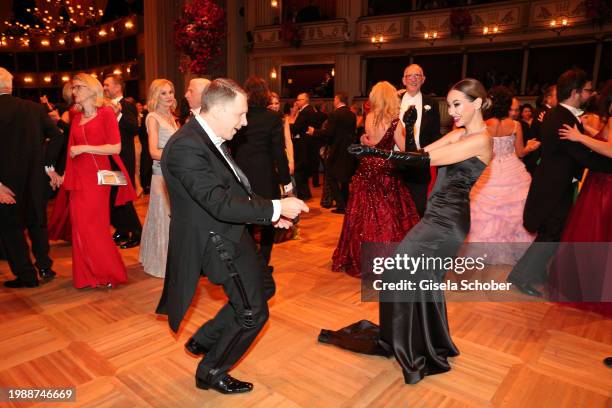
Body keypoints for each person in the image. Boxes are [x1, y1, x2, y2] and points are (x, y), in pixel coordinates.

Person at [320, 78, 493, 384]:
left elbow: (427, 159)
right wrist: (409, 131)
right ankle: (427, 341)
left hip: (447, 223)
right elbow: (419, 152)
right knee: (423, 280)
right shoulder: (459, 133)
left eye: (457, 104)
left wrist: (376, 153)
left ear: (477, 103)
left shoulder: (480, 140)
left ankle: (403, 343)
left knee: (396, 274)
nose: (451, 111)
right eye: (449, 105)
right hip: (436, 216)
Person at [155, 79, 308, 394]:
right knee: (253, 312)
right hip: (215, 240)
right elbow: (218, 202)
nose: (245, 122)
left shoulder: (207, 136)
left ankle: (206, 338)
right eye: (240, 114)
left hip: (230, 232)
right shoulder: (186, 146)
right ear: (219, 110)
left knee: (264, 286)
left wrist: (270, 215)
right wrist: (276, 206)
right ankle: (210, 370)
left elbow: (233, 188)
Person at [507, 69, 612, 297]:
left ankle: (533, 272)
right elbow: (582, 156)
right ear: (575, 92)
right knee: (552, 233)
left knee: (551, 232)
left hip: (556, 183)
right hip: (555, 186)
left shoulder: (562, 115)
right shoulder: (561, 118)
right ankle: (521, 275)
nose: (591, 93)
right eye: (587, 89)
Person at [331, 81, 420, 277]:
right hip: (386, 171)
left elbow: (367, 141)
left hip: (366, 169)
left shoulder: (368, 116)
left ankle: (363, 258)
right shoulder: (395, 121)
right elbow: (405, 150)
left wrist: (364, 140)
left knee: (362, 215)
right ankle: (387, 259)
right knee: (388, 216)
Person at [63, 73, 136, 289]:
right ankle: (86, 275)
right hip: (79, 178)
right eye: (74, 87)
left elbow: (115, 147)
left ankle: (107, 272)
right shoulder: (75, 117)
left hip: (97, 179)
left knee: (95, 226)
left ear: (90, 89)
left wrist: (85, 148)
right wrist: (65, 174)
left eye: (78, 87)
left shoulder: (105, 114)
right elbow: (69, 151)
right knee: (80, 226)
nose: (74, 91)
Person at [548, 80, 611, 313]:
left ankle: (591, 290)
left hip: (605, 185)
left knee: (596, 235)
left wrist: (580, 137)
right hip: (600, 181)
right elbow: (605, 140)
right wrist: (589, 132)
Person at [0, 67, 63, 288]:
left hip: (5, 184)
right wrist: (48, 165)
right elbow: (56, 136)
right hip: (36, 179)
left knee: (10, 228)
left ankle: (26, 275)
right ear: (11, 85)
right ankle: (45, 266)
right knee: (38, 222)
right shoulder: (34, 109)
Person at [465, 86, 540, 264]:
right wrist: (529, 146)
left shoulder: (484, 125)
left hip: (489, 169)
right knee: (514, 211)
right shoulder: (515, 125)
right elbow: (520, 152)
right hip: (511, 168)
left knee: (487, 211)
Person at [230, 76, 292, 270]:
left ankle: (249, 261)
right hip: (265, 175)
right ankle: (263, 262)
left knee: (244, 220)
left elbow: (230, 146)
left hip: (241, 175)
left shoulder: (239, 115)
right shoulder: (273, 118)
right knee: (269, 220)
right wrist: (286, 181)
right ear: (265, 94)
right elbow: (278, 152)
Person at [139, 79, 178, 278]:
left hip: (172, 174)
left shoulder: (172, 117)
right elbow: (153, 151)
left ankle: (168, 259)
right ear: (155, 96)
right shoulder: (152, 117)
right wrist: (181, 154)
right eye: (163, 93)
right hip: (160, 176)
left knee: (169, 217)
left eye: (170, 92)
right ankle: (161, 263)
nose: (169, 96)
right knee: (162, 217)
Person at [102, 74, 142, 249]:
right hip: (109, 158)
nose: (104, 88)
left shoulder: (127, 105)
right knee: (111, 196)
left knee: (123, 196)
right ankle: (122, 229)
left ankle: (137, 231)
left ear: (118, 87)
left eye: (107, 85)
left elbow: (134, 128)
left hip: (123, 159)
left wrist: (118, 114)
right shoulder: (104, 106)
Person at [398, 64, 442, 217]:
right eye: (410, 76)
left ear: (423, 79)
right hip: (394, 162)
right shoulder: (393, 101)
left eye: (417, 75)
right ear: (404, 80)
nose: (413, 79)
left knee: (418, 207)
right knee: (395, 207)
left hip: (419, 163)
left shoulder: (432, 103)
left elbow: (435, 134)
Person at [307, 92, 357, 213]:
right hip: (349, 150)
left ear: (338, 100)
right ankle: (345, 202)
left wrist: (314, 131)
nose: (333, 101)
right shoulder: (352, 114)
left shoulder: (335, 114)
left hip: (336, 150)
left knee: (332, 177)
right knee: (344, 178)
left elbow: (329, 133)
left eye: (334, 99)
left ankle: (341, 205)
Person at [290, 93, 317, 200]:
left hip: (303, 145)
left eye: (298, 100)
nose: (297, 102)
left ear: (305, 100)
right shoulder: (308, 110)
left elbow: (296, 128)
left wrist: (288, 124)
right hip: (306, 143)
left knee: (299, 169)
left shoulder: (306, 111)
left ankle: (303, 194)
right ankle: (305, 193)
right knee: (302, 170)